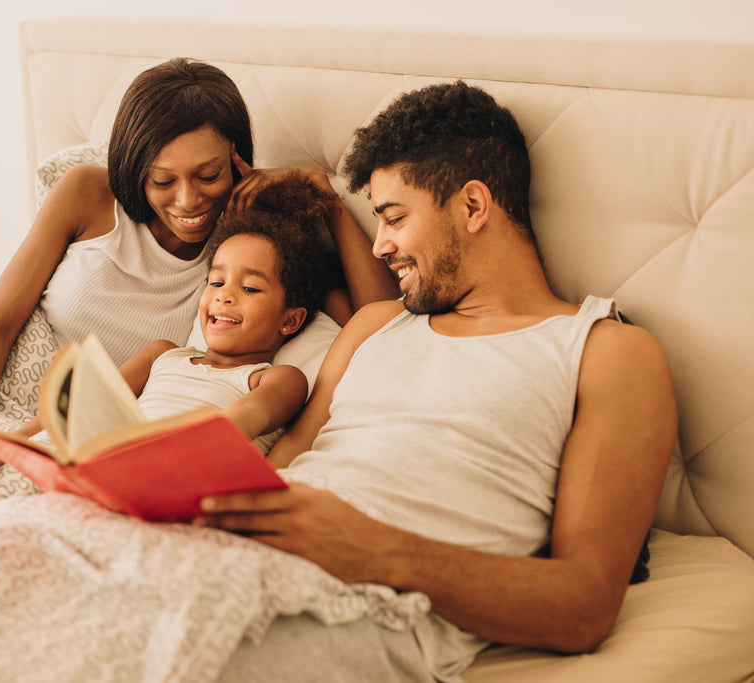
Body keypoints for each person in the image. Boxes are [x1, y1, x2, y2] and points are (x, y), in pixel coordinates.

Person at [199, 80, 677, 674]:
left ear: (473, 206)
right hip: (230, 560)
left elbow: (583, 607)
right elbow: (279, 469)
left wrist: (374, 550)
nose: (380, 247)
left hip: (351, 610)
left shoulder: (605, 351)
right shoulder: (374, 327)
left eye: (394, 218)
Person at [0, 58, 397, 477]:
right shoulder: (86, 193)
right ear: (133, 168)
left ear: (236, 159)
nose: (188, 201)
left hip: (124, 427)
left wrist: (326, 200)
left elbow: (379, 329)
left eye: (208, 175)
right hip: (38, 407)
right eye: (162, 180)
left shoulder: (256, 239)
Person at [0, 175, 334, 494]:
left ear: (291, 321)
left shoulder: (277, 379)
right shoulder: (163, 355)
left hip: (174, 481)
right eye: (215, 281)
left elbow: (242, 419)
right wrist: (2, 444)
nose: (224, 296)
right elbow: (77, 409)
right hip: (107, 470)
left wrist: (159, 455)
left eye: (250, 289)